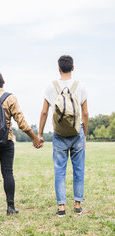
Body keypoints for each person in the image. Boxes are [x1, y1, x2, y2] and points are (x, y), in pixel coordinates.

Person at [0, 71, 43, 216]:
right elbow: (21, 121)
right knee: (7, 173)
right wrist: (34, 138)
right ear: (3, 82)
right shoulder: (10, 98)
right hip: (6, 141)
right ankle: (10, 208)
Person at [38, 55, 88, 217]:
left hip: (59, 134)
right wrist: (84, 135)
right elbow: (85, 114)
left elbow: (45, 112)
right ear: (73, 68)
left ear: (58, 68)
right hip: (76, 132)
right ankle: (78, 204)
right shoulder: (80, 87)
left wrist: (39, 134)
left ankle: (61, 207)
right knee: (78, 169)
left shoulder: (50, 87)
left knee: (59, 170)